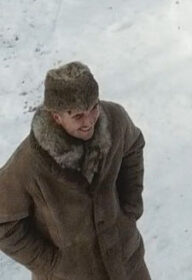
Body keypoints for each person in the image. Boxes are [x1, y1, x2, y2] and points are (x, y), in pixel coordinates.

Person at [0, 62, 150, 279]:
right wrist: (51, 263)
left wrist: (131, 203)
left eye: (94, 108)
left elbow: (134, 145)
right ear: (56, 116)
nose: (89, 121)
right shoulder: (31, 162)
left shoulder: (115, 119)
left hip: (127, 263)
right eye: (78, 116)